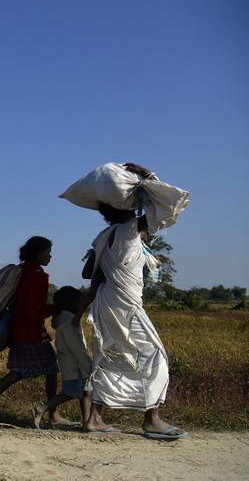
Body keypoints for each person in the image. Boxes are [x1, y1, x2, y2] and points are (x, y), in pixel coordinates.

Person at [81, 163, 187, 440]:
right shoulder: (129, 231)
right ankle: (152, 420)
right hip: (125, 306)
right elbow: (167, 207)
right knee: (155, 357)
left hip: (106, 304)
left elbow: (87, 273)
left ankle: (94, 418)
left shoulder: (103, 236)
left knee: (108, 357)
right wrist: (149, 176)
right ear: (128, 208)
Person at [0, 237, 70, 426]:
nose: (50, 256)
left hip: (19, 329)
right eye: (48, 252)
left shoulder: (22, 271)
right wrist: (56, 308)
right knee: (45, 370)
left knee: (25, 373)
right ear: (38, 253)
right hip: (30, 333)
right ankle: (53, 415)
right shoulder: (39, 276)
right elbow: (33, 310)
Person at [32, 286, 92, 428]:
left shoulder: (63, 320)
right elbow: (77, 348)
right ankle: (41, 409)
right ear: (68, 304)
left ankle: (88, 423)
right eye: (78, 303)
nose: (80, 306)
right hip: (77, 365)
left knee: (85, 392)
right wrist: (89, 366)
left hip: (71, 365)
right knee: (70, 393)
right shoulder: (70, 322)